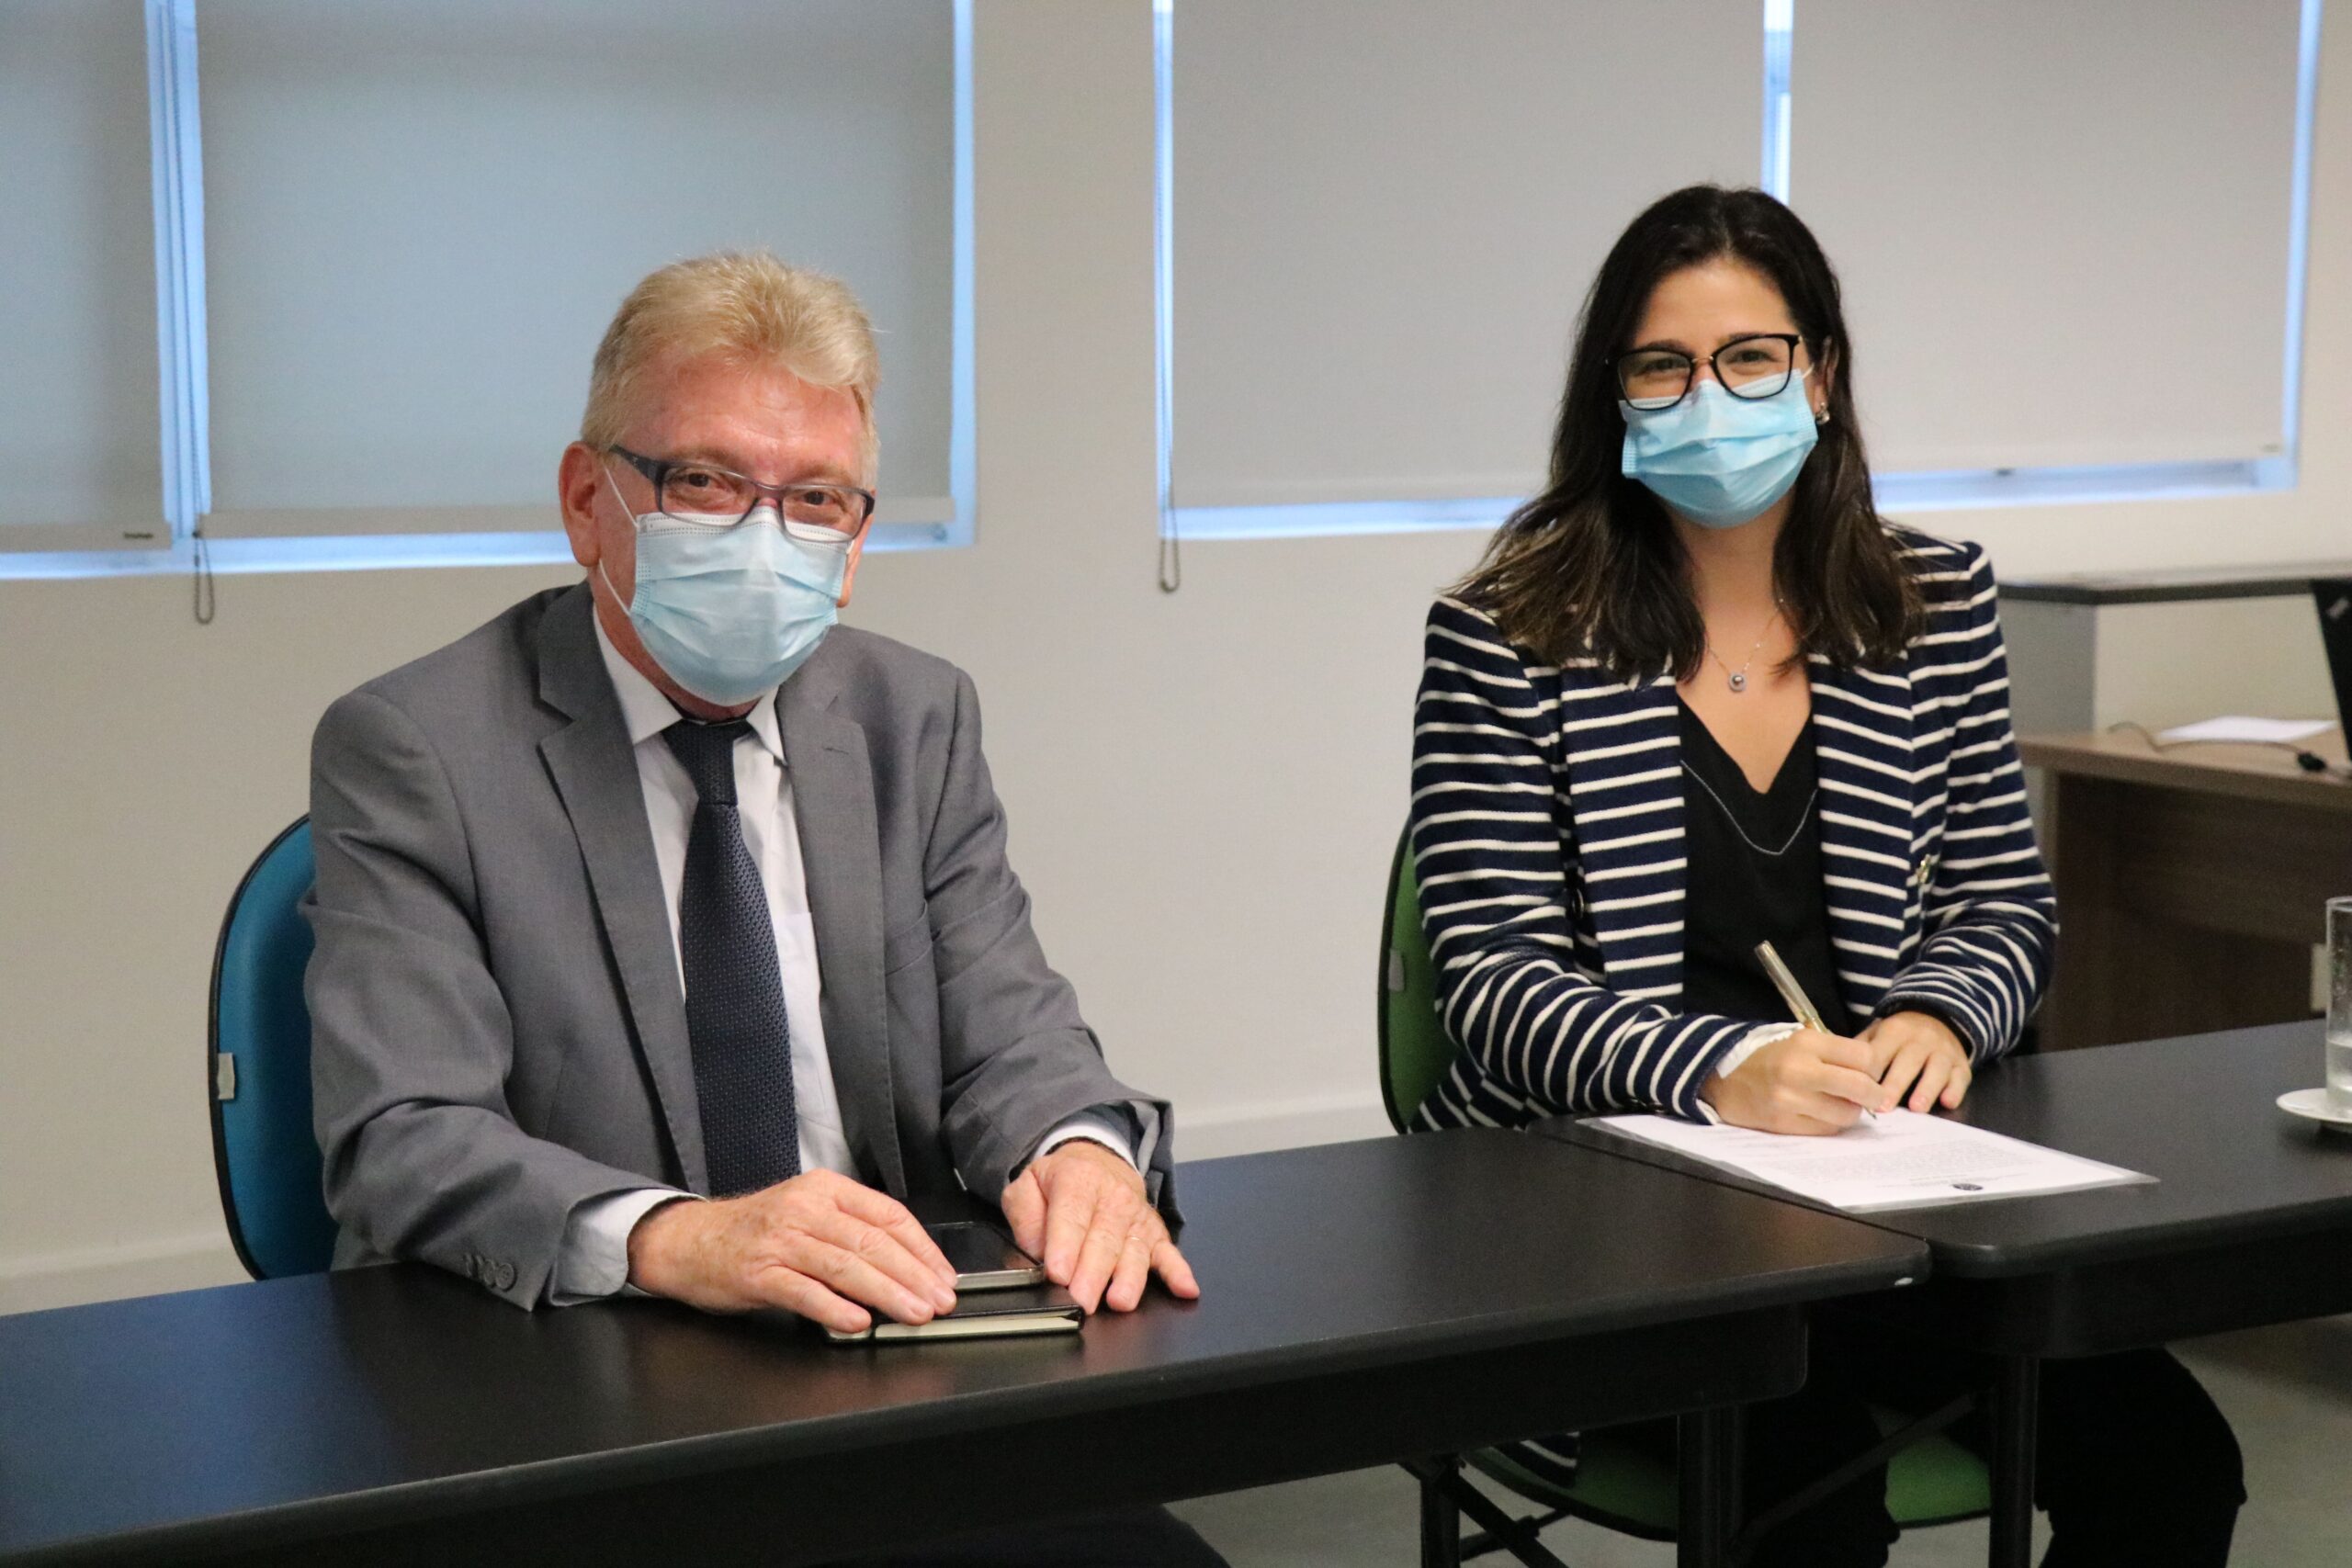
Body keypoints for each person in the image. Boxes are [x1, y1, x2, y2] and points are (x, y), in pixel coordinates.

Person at [307, 252, 1223, 1567]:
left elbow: (1011, 1034)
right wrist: (682, 1238)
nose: (762, 537)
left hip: (881, 1372)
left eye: (814, 500)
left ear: (853, 546)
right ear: (589, 501)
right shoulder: (418, 747)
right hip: (580, 1391)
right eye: (706, 482)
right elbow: (404, 1133)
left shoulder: (913, 717)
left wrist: (1078, 1150)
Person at [1408, 186, 2242, 1566]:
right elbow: (1491, 980)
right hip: (1609, 1209)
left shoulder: (1931, 599)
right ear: (1614, 395)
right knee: (1809, 1501)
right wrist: (1719, 1067)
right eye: (1663, 366)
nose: (1709, 398)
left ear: (1821, 375)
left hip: (1887, 1189)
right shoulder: (1509, 631)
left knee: (2171, 1461)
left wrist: (1939, 1012)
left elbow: (2002, 898)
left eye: (1750, 358)